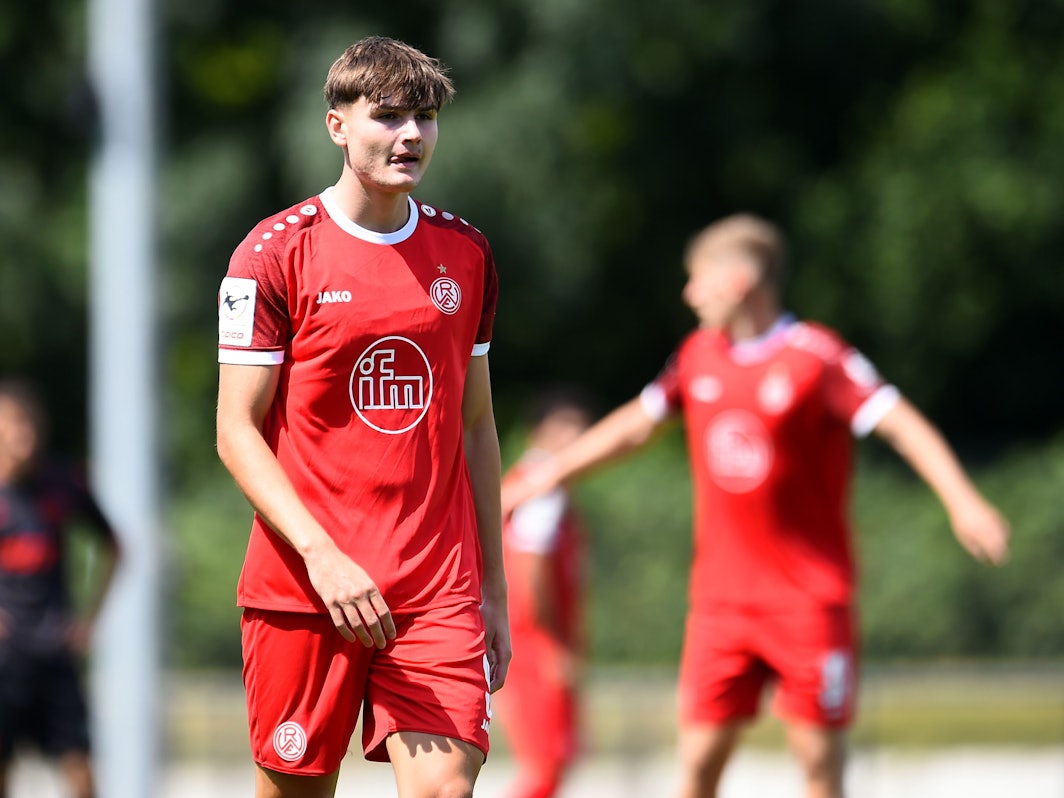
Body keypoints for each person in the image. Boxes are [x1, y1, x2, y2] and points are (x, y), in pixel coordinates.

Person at [501, 214, 1010, 798]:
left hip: (808, 600)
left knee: (819, 766)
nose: (689, 294)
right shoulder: (697, 357)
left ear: (740, 279)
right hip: (721, 606)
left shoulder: (815, 357)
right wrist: (549, 475)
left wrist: (963, 501)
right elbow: (634, 428)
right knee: (696, 766)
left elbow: (900, 424)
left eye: (698, 279)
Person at [215, 36, 510, 798]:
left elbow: (477, 427)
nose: (411, 135)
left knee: (446, 789)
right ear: (336, 125)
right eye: (387, 116)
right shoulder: (272, 255)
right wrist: (322, 555)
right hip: (305, 586)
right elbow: (236, 430)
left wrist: (494, 592)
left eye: (425, 116)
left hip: (434, 588)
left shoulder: (466, 253)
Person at [0, 378, 121, 798]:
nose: (24, 435)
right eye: (14, 424)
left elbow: (116, 546)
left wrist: (89, 620)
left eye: (30, 424)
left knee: (81, 772)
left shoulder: (62, 481)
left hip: (54, 651)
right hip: (4, 656)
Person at [494, 390, 592, 798]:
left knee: (548, 766)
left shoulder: (529, 484)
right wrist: (553, 645)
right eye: (564, 427)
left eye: (580, 427)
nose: (576, 437)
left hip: (526, 640)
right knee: (545, 769)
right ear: (539, 433)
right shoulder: (543, 486)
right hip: (535, 644)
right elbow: (530, 573)